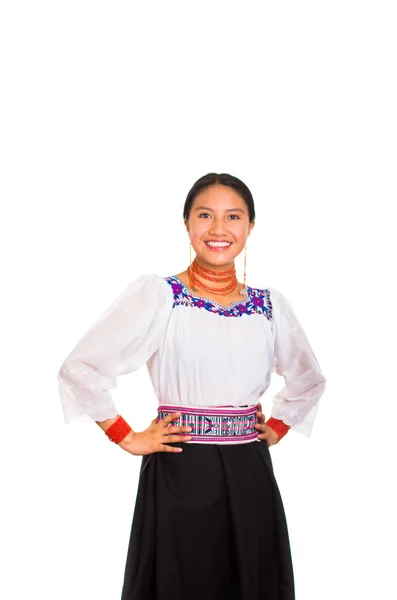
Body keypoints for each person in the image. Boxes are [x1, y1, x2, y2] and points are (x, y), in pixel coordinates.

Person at [57, 172, 326, 600]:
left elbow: (309, 377)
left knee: (250, 580)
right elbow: (81, 367)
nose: (219, 230)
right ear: (187, 224)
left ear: (250, 227)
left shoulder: (269, 306)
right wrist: (124, 435)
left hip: (251, 470)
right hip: (181, 466)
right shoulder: (160, 296)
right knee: (183, 581)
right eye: (205, 215)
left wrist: (277, 426)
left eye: (233, 217)